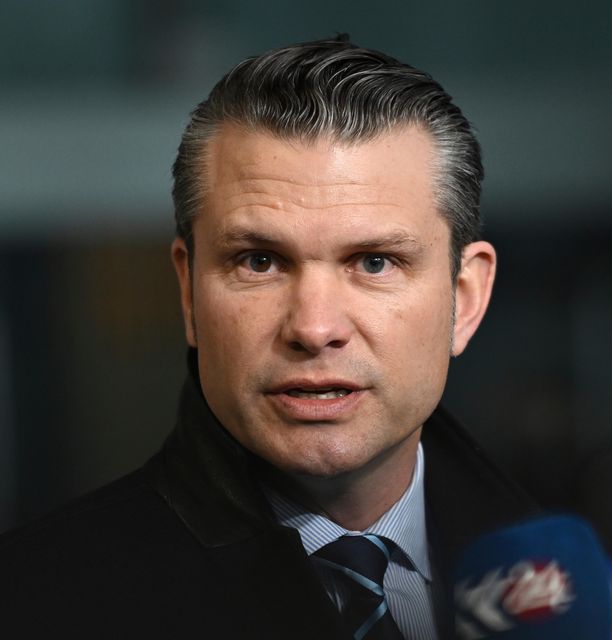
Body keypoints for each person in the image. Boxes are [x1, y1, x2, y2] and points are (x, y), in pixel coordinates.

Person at [0, 37, 537, 638]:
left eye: (375, 262)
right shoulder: (33, 604)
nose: (313, 328)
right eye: (259, 262)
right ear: (188, 293)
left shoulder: (603, 584)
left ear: (464, 300)